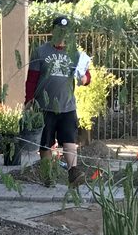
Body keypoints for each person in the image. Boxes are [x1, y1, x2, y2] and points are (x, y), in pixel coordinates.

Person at [25, 15, 92, 186]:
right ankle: (48, 176)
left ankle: (73, 172)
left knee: (70, 140)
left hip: (67, 106)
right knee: (45, 144)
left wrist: (84, 78)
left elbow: (86, 77)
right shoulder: (40, 52)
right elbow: (32, 78)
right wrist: (29, 100)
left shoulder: (76, 55)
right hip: (44, 107)